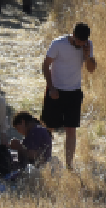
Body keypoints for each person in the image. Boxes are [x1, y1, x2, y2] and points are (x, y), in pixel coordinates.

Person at [42, 22, 98, 167]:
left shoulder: (87, 45)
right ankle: (44, 159)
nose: (80, 44)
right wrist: (51, 87)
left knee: (71, 129)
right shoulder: (58, 43)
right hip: (55, 91)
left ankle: (69, 165)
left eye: (83, 41)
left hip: (74, 92)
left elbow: (91, 69)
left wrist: (87, 55)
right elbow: (45, 64)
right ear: (72, 35)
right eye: (78, 41)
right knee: (49, 127)